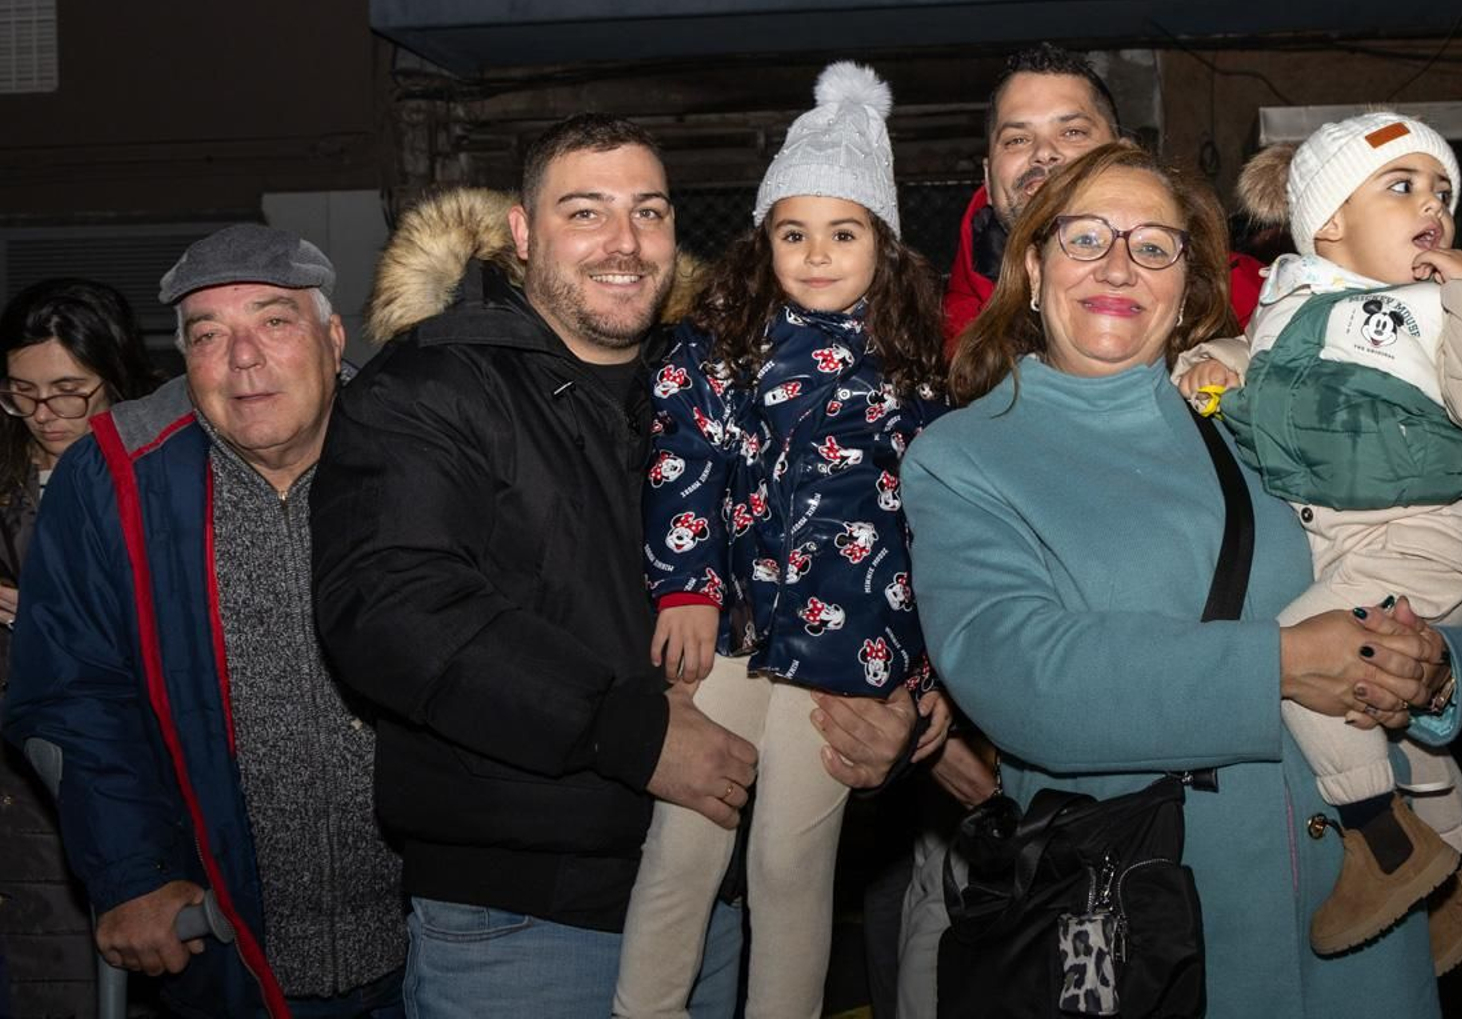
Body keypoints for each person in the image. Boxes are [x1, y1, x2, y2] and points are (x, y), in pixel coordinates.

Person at [310, 114, 920, 1019]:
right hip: (523, 929)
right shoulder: (433, 387)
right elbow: (392, 611)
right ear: (521, 233)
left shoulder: (718, 381)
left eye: (650, 212)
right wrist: (626, 729)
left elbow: (843, 555)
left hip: (716, 914)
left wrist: (904, 710)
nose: (625, 243)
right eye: (586, 212)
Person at [900, 141, 1462, 1017]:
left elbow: (1415, 542)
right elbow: (1023, 674)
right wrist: (1281, 665)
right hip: (1156, 930)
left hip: (1360, 909)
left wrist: (1437, 665)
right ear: (1030, 265)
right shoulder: (967, 455)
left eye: (1154, 245)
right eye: (1084, 238)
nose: (1118, 264)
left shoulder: (1264, 413)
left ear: (1186, 286)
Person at [611, 63, 950, 1019]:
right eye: (793, 232)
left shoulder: (915, 367)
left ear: (881, 243)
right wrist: (684, 588)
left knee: (790, 862)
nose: (815, 253)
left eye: (842, 233)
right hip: (729, 630)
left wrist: (923, 670)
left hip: (851, 647)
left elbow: (938, 526)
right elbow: (681, 465)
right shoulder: (719, 343)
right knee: (682, 845)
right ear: (764, 239)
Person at [2, 228, 407, 1019]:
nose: (243, 359)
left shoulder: (417, 445)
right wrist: (133, 872)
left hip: (437, 945)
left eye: (274, 322)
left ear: (332, 336)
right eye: (209, 336)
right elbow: (76, 692)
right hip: (220, 947)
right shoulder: (118, 473)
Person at [1176, 112, 1462, 967]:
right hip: (1344, 545)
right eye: (1404, 185)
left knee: (1307, 658)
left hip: (1420, 539)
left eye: (1442, 189)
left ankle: (1381, 841)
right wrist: (1220, 360)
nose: (1435, 205)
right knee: (1400, 721)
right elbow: (1271, 368)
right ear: (1329, 221)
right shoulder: (1293, 296)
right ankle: (1458, 877)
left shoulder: (1441, 308)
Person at [0, 278, 159, 1018]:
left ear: (116, 377)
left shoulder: (158, 473)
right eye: (21, 393)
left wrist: (52, 615)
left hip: (104, 784)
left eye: (69, 390)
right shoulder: (10, 481)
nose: (44, 414)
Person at [942, 42, 1262, 349]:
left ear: (1125, 156)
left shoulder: (1255, 302)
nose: (1043, 153)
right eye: (1016, 139)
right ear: (987, 175)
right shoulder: (937, 342)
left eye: (1072, 132)